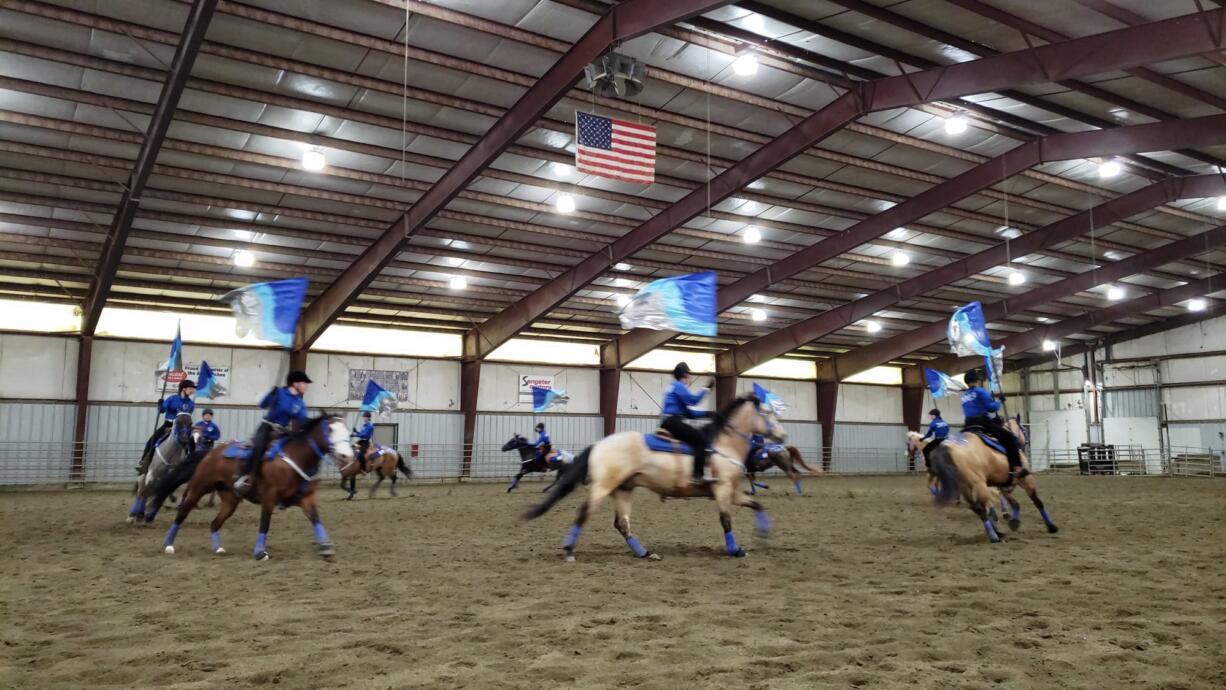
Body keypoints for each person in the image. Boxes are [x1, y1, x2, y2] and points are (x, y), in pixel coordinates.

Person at [234, 371, 311, 496]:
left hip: (283, 431)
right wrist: (270, 394)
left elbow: (303, 420)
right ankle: (244, 477)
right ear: (295, 383)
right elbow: (263, 405)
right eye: (304, 383)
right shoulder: (279, 393)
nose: (306, 386)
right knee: (258, 447)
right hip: (267, 426)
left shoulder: (299, 402)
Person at [960, 369, 1024, 477]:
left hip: (968, 424)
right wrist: (1000, 401)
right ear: (976, 380)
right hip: (982, 422)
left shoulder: (964, 396)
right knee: (1009, 437)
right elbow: (991, 408)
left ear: (966, 382)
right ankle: (1017, 467)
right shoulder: (980, 391)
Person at [660, 362, 713, 487]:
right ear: (685, 374)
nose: (690, 377)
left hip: (670, 420)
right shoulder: (679, 386)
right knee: (700, 439)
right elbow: (693, 401)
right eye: (689, 374)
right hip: (673, 422)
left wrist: (708, 414)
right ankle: (698, 476)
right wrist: (706, 388)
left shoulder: (673, 387)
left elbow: (689, 413)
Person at [138, 379, 196, 473]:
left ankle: (192, 464)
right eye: (190, 388)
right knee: (152, 440)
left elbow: (186, 417)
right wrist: (160, 404)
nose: (192, 391)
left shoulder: (191, 403)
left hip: (182, 427)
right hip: (168, 425)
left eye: (193, 389)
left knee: (192, 443)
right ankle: (144, 461)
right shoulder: (172, 399)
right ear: (183, 389)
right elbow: (162, 411)